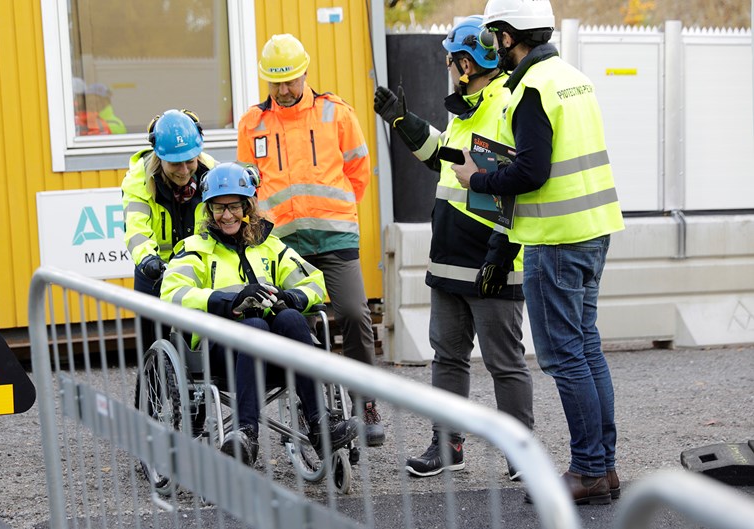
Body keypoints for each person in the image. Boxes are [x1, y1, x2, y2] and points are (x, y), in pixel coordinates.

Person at [452, 0, 626, 504]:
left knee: (566, 357)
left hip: (555, 241)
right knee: (587, 351)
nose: (491, 48)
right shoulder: (572, 77)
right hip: (592, 231)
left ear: (508, 36)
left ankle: (589, 471)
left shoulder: (531, 87)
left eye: (491, 38)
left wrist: (476, 178)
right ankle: (605, 468)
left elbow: (531, 172)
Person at [374, 15, 533, 480]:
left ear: (467, 63)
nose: (446, 63)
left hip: (490, 257)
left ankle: (521, 455)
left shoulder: (505, 103)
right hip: (449, 256)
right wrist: (402, 122)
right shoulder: (467, 106)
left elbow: (517, 184)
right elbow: (447, 158)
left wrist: (501, 251)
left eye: (451, 57)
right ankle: (447, 445)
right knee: (447, 357)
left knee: (504, 363)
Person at [160, 162, 360, 467]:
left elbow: (314, 283)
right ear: (208, 210)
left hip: (277, 356)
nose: (227, 215)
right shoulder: (194, 249)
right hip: (219, 354)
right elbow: (171, 293)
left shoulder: (271, 246)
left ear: (248, 206)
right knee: (252, 324)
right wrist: (227, 302)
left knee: (291, 318)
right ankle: (245, 432)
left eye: (234, 206)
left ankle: (320, 424)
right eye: (218, 208)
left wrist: (289, 296)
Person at [236, 34, 385, 446]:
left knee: (355, 313)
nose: (284, 90)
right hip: (282, 246)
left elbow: (358, 171)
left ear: (304, 73)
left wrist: (331, 213)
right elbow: (250, 186)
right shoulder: (252, 123)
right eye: (275, 82)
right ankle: (314, 410)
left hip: (335, 239)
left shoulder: (336, 113)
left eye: (290, 81)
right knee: (296, 322)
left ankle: (365, 401)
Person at [121, 109, 215, 355]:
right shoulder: (138, 180)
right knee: (151, 350)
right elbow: (136, 229)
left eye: (190, 161)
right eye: (175, 163)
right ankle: (152, 390)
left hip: (196, 271)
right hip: (153, 271)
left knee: (197, 352)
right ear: (158, 157)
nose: (184, 170)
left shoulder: (212, 174)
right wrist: (148, 260)